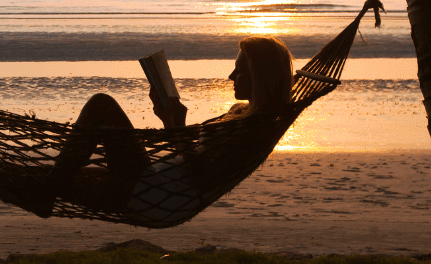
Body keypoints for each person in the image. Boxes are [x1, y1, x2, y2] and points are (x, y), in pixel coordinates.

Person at [51, 36, 294, 217]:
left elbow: (201, 175)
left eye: (240, 71)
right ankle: (43, 192)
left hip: (155, 195)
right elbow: (193, 162)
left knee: (102, 104)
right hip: (157, 182)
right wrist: (169, 120)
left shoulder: (251, 129)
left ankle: (43, 194)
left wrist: (177, 125)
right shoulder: (242, 115)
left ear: (260, 78)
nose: (231, 76)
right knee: (54, 178)